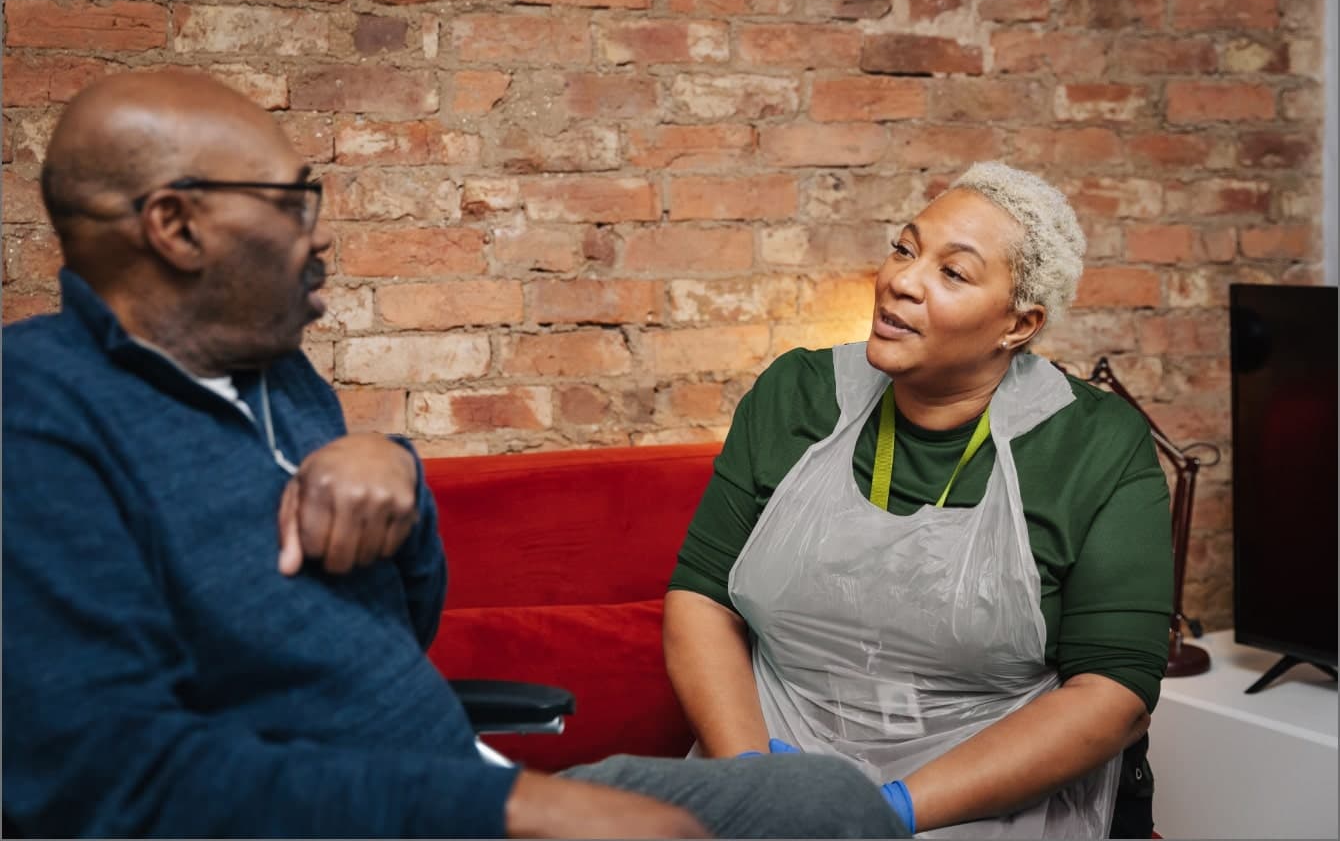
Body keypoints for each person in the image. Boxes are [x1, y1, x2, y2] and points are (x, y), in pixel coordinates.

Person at [1, 71, 909, 839]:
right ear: (176, 225)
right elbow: (102, 782)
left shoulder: (275, 376)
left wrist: (396, 477)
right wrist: (515, 807)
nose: (320, 233)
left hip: (454, 782)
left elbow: (403, 627)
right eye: (291, 200)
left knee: (827, 802)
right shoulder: (39, 419)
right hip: (386, 816)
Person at [665, 162, 1174, 838]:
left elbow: (1114, 694)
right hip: (773, 773)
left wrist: (888, 812)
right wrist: (756, 782)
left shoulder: (1094, 445)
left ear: (1018, 325)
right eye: (905, 249)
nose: (901, 281)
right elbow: (703, 600)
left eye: (952, 273)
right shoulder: (796, 396)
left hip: (977, 798)